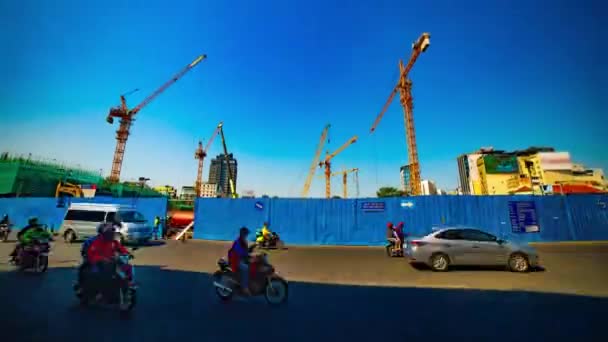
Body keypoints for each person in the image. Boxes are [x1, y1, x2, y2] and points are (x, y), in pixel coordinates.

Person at [84, 223, 131, 297]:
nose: (112, 234)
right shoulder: (97, 242)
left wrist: (127, 253)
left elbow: (121, 249)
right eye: (109, 232)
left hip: (111, 262)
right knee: (97, 274)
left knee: (126, 267)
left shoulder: (113, 242)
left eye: (112, 232)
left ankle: (125, 285)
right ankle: (97, 292)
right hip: (98, 263)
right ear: (104, 233)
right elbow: (92, 254)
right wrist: (102, 258)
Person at [228, 227, 252, 296]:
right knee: (246, 268)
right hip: (235, 260)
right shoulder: (238, 241)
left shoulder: (244, 241)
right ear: (242, 234)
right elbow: (239, 252)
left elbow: (245, 251)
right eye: (246, 234)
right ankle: (245, 288)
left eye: (247, 234)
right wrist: (248, 255)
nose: (246, 235)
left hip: (241, 258)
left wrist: (250, 250)